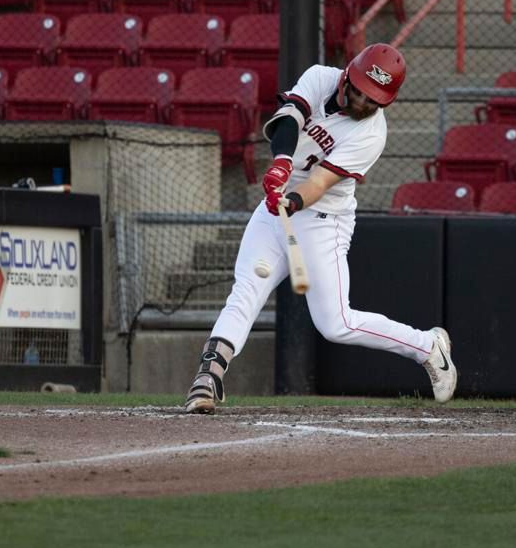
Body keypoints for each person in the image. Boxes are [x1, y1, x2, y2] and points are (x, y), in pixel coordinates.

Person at [183, 43, 457, 414]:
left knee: (336, 323)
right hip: (275, 206)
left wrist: (292, 200)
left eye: (372, 99)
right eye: (359, 91)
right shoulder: (319, 77)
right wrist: (281, 164)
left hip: (322, 219)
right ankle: (208, 375)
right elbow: (289, 119)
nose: (363, 103)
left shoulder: (371, 135)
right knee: (247, 288)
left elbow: (318, 184)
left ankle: (427, 347)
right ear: (347, 77)